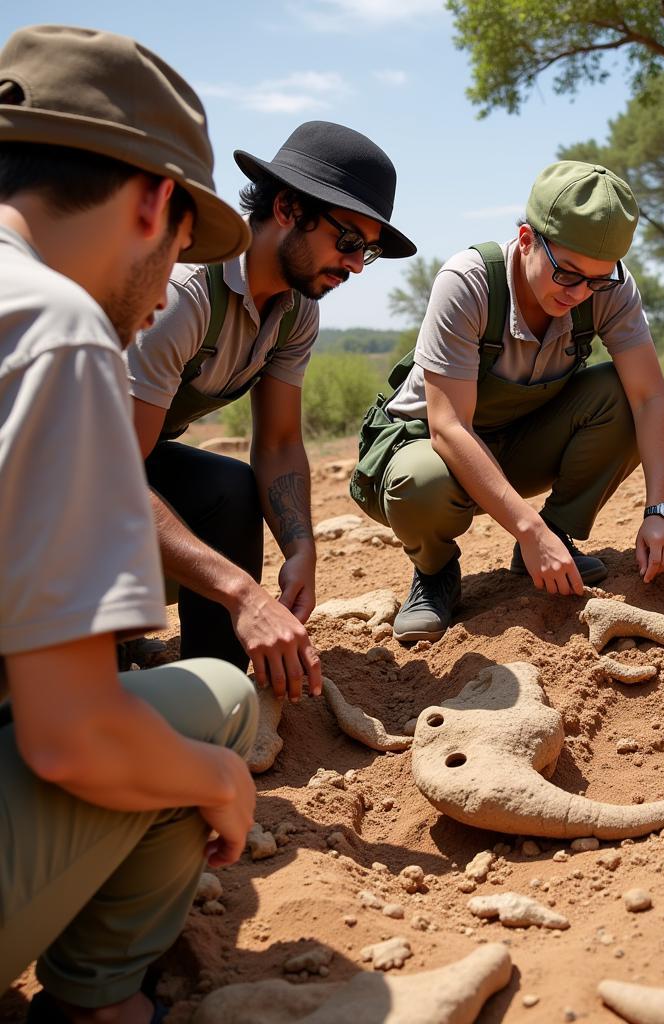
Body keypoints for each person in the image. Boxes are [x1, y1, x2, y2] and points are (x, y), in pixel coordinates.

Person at [0, 25, 259, 1023]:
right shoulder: (53, 328)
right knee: (211, 717)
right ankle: (97, 1003)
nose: (164, 294)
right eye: (182, 249)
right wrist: (219, 780)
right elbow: (73, 740)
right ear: (155, 201)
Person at [128, 121, 416, 698]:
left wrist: (302, 548)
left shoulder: (296, 308)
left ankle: (216, 685)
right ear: (286, 206)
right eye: (349, 241)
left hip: (125, 460)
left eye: (371, 251)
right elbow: (106, 478)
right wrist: (243, 594)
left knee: (230, 487)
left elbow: (280, 442)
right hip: (46, 482)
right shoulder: (184, 294)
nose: (357, 265)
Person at [351, 161, 664, 642]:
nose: (579, 294)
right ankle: (434, 573)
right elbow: (449, 428)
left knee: (620, 395)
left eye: (597, 280)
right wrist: (527, 531)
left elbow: (650, 396)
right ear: (527, 239)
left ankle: (559, 534)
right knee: (419, 480)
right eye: (568, 275)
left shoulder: (606, 287)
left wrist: (661, 511)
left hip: (521, 441)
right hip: (435, 449)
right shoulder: (467, 282)